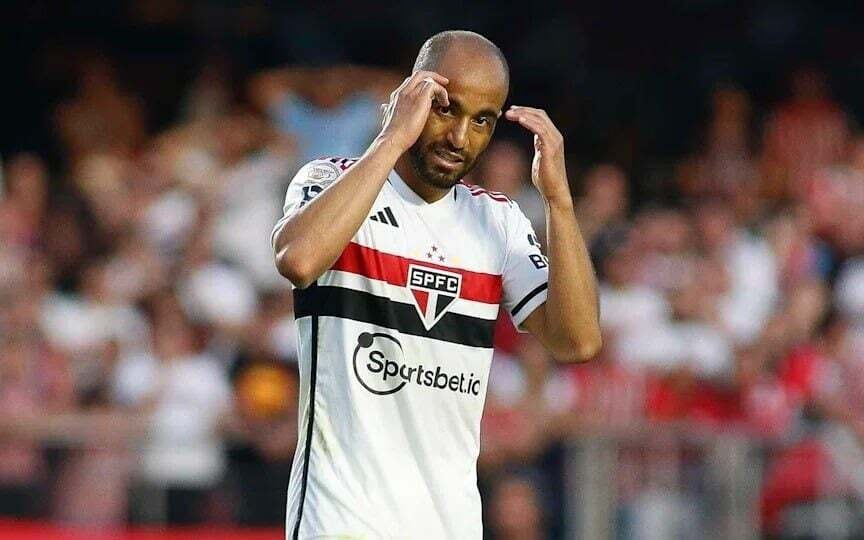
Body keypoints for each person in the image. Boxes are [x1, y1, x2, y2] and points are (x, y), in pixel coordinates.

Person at [271, 30, 601, 539]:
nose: (460, 137)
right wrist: (391, 138)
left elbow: (577, 340)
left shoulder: (499, 223)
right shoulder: (329, 179)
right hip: (339, 523)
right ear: (412, 96)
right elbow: (298, 259)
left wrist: (559, 202)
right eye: (447, 109)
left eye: (482, 120)